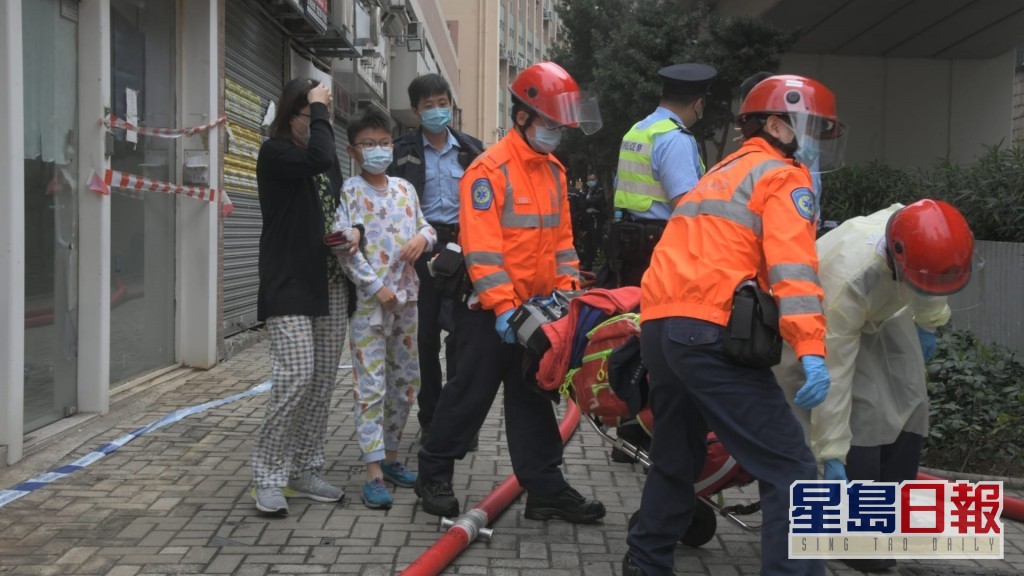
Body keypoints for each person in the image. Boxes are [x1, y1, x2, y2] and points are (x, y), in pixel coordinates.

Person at [623, 74, 847, 576]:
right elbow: (794, 268)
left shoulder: (721, 171)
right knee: (790, 467)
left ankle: (646, 562)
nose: (811, 143)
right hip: (708, 331)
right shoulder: (783, 177)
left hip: (661, 330)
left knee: (676, 458)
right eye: (808, 129)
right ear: (774, 124)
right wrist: (810, 348)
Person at [414, 61, 606, 523]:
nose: (556, 131)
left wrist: (566, 297)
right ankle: (433, 474)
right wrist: (504, 310)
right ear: (522, 117)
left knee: (535, 400)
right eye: (550, 122)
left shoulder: (555, 172)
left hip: (539, 313)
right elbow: (483, 251)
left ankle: (545, 489)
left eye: (561, 124)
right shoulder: (487, 172)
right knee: (467, 395)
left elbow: (562, 244)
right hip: (489, 314)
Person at [774, 199, 976, 573]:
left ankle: (886, 523)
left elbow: (933, 279)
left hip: (888, 304)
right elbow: (835, 376)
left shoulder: (920, 234)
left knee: (910, 399)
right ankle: (852, 533)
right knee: (863, 410)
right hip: (824, 324)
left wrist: (928, 324)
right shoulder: (848, 278)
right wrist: (833, 452)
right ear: (898, 260)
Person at [252, 78, 360, 516]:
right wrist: (318, 103)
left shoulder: (327, 162)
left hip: (331, 283)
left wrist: (357, 233)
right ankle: (268, 476)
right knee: (296, 376)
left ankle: (305, 469)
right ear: (291, 115)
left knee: (319, 386)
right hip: (288, 282)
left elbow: (343, 212)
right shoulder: (275, 153)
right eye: (312, 114)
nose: (320, 122)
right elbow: (317, 154)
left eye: (323, 116)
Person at [335, 109, 437, 510]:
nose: (378, 150)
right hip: (370, 307)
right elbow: (345, 249)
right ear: (353, 150)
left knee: (406, 380)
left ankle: (392, 456)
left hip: (408, 301)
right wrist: (376, 288)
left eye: (384, 143)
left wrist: (423, 240)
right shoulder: (351, 192)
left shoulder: (404, 189)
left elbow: (427, 226)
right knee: (371, 387)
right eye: (368, 144)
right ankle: (374, 470)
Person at [387, 74, 484, 451]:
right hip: (422, 250)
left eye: (442, 102)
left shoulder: (472, 149)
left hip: (465, 248)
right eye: (428, 105)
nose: (437, 110)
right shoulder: (402, 150)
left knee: (463, 336)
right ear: (415, 112)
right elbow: (391, 204)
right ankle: (431, 420)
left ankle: (459, 420)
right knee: (424, 338)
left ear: (451, 107)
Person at [609, 62, 718, 288]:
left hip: (628, 246)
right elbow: (685, 206)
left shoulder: (638, 130)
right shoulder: (675, 138)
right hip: (660, 252)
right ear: (698, 104)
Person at [577, 173, 608, 271]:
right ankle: (587, 263)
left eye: (593, 179)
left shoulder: (599, 190)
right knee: (587, 242)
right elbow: (581, 203)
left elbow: (597, 201)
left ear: (596, 180)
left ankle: (597, 263)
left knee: (596, 241)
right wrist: (588, 203)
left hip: (596, 219)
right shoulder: (584, 191)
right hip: (586, 220)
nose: (591, 182)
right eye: (589, 180)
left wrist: (588, 202)